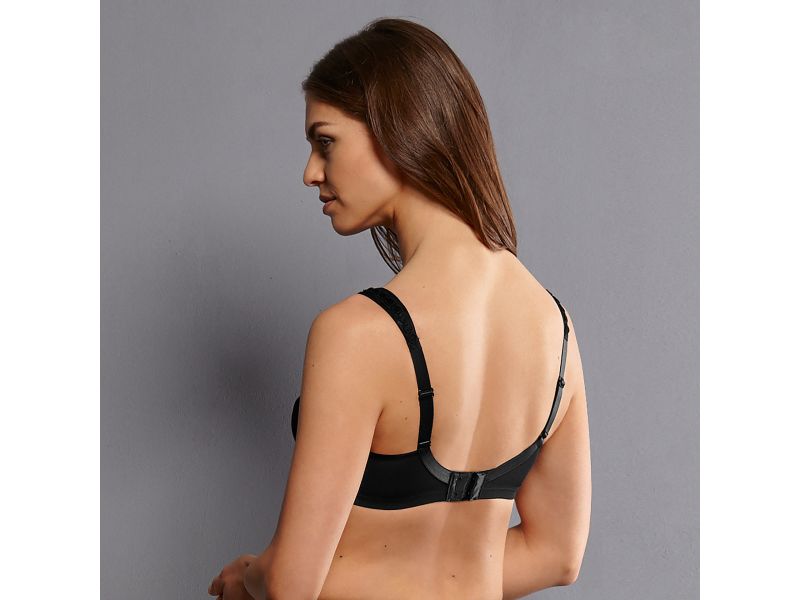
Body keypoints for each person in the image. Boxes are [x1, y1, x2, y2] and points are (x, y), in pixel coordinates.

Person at [208, 16, 591, 600]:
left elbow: (291, 584)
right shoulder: (554, 329)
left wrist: (250, 574)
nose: (311, 172)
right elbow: (556, 555)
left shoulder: (358, 333)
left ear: (396, 127)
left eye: (325, 141)